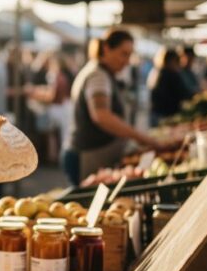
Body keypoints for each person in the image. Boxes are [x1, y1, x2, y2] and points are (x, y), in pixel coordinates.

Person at [68, 29, 162, 183]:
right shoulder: (98, 76)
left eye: (130, 55)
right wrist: (139, 137)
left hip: (93, 153)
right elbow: (101, 115)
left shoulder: (101, 72)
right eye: (123, 54)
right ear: (106, 49)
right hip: (90, 155)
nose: (127, 60)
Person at [148, 48, 194, 126]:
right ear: (172, 61)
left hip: (156, 113)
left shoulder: (158, 72)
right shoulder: (172, 75)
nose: (179, 65)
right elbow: (184, 93)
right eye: (177, 62)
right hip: (166, 115)